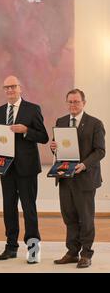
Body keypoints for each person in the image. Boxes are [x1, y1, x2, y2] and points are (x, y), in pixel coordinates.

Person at [0, 76, 49, 264]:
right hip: (6, 168)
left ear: (20, 88)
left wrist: (26, 130)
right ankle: (11, 247)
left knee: (29, 209)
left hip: (27, 169)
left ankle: (33, 250)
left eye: (13, 87)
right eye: (6, 87)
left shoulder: (33, 109)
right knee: (8, 209)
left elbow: (43, 137)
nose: (10, 90)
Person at [50, 89, 105, 268]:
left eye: (76, 102)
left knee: (86, 217)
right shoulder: (61, 121)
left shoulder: (95, 124)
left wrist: (85, 164)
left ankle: (86, 254)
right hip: (65, 177)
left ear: (84, 103)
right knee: (69, 216)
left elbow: (100, 151)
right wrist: (53, 147)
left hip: (85, 178)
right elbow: (58, 147)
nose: (73, 105)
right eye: (70, 102)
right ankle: (72, 252)